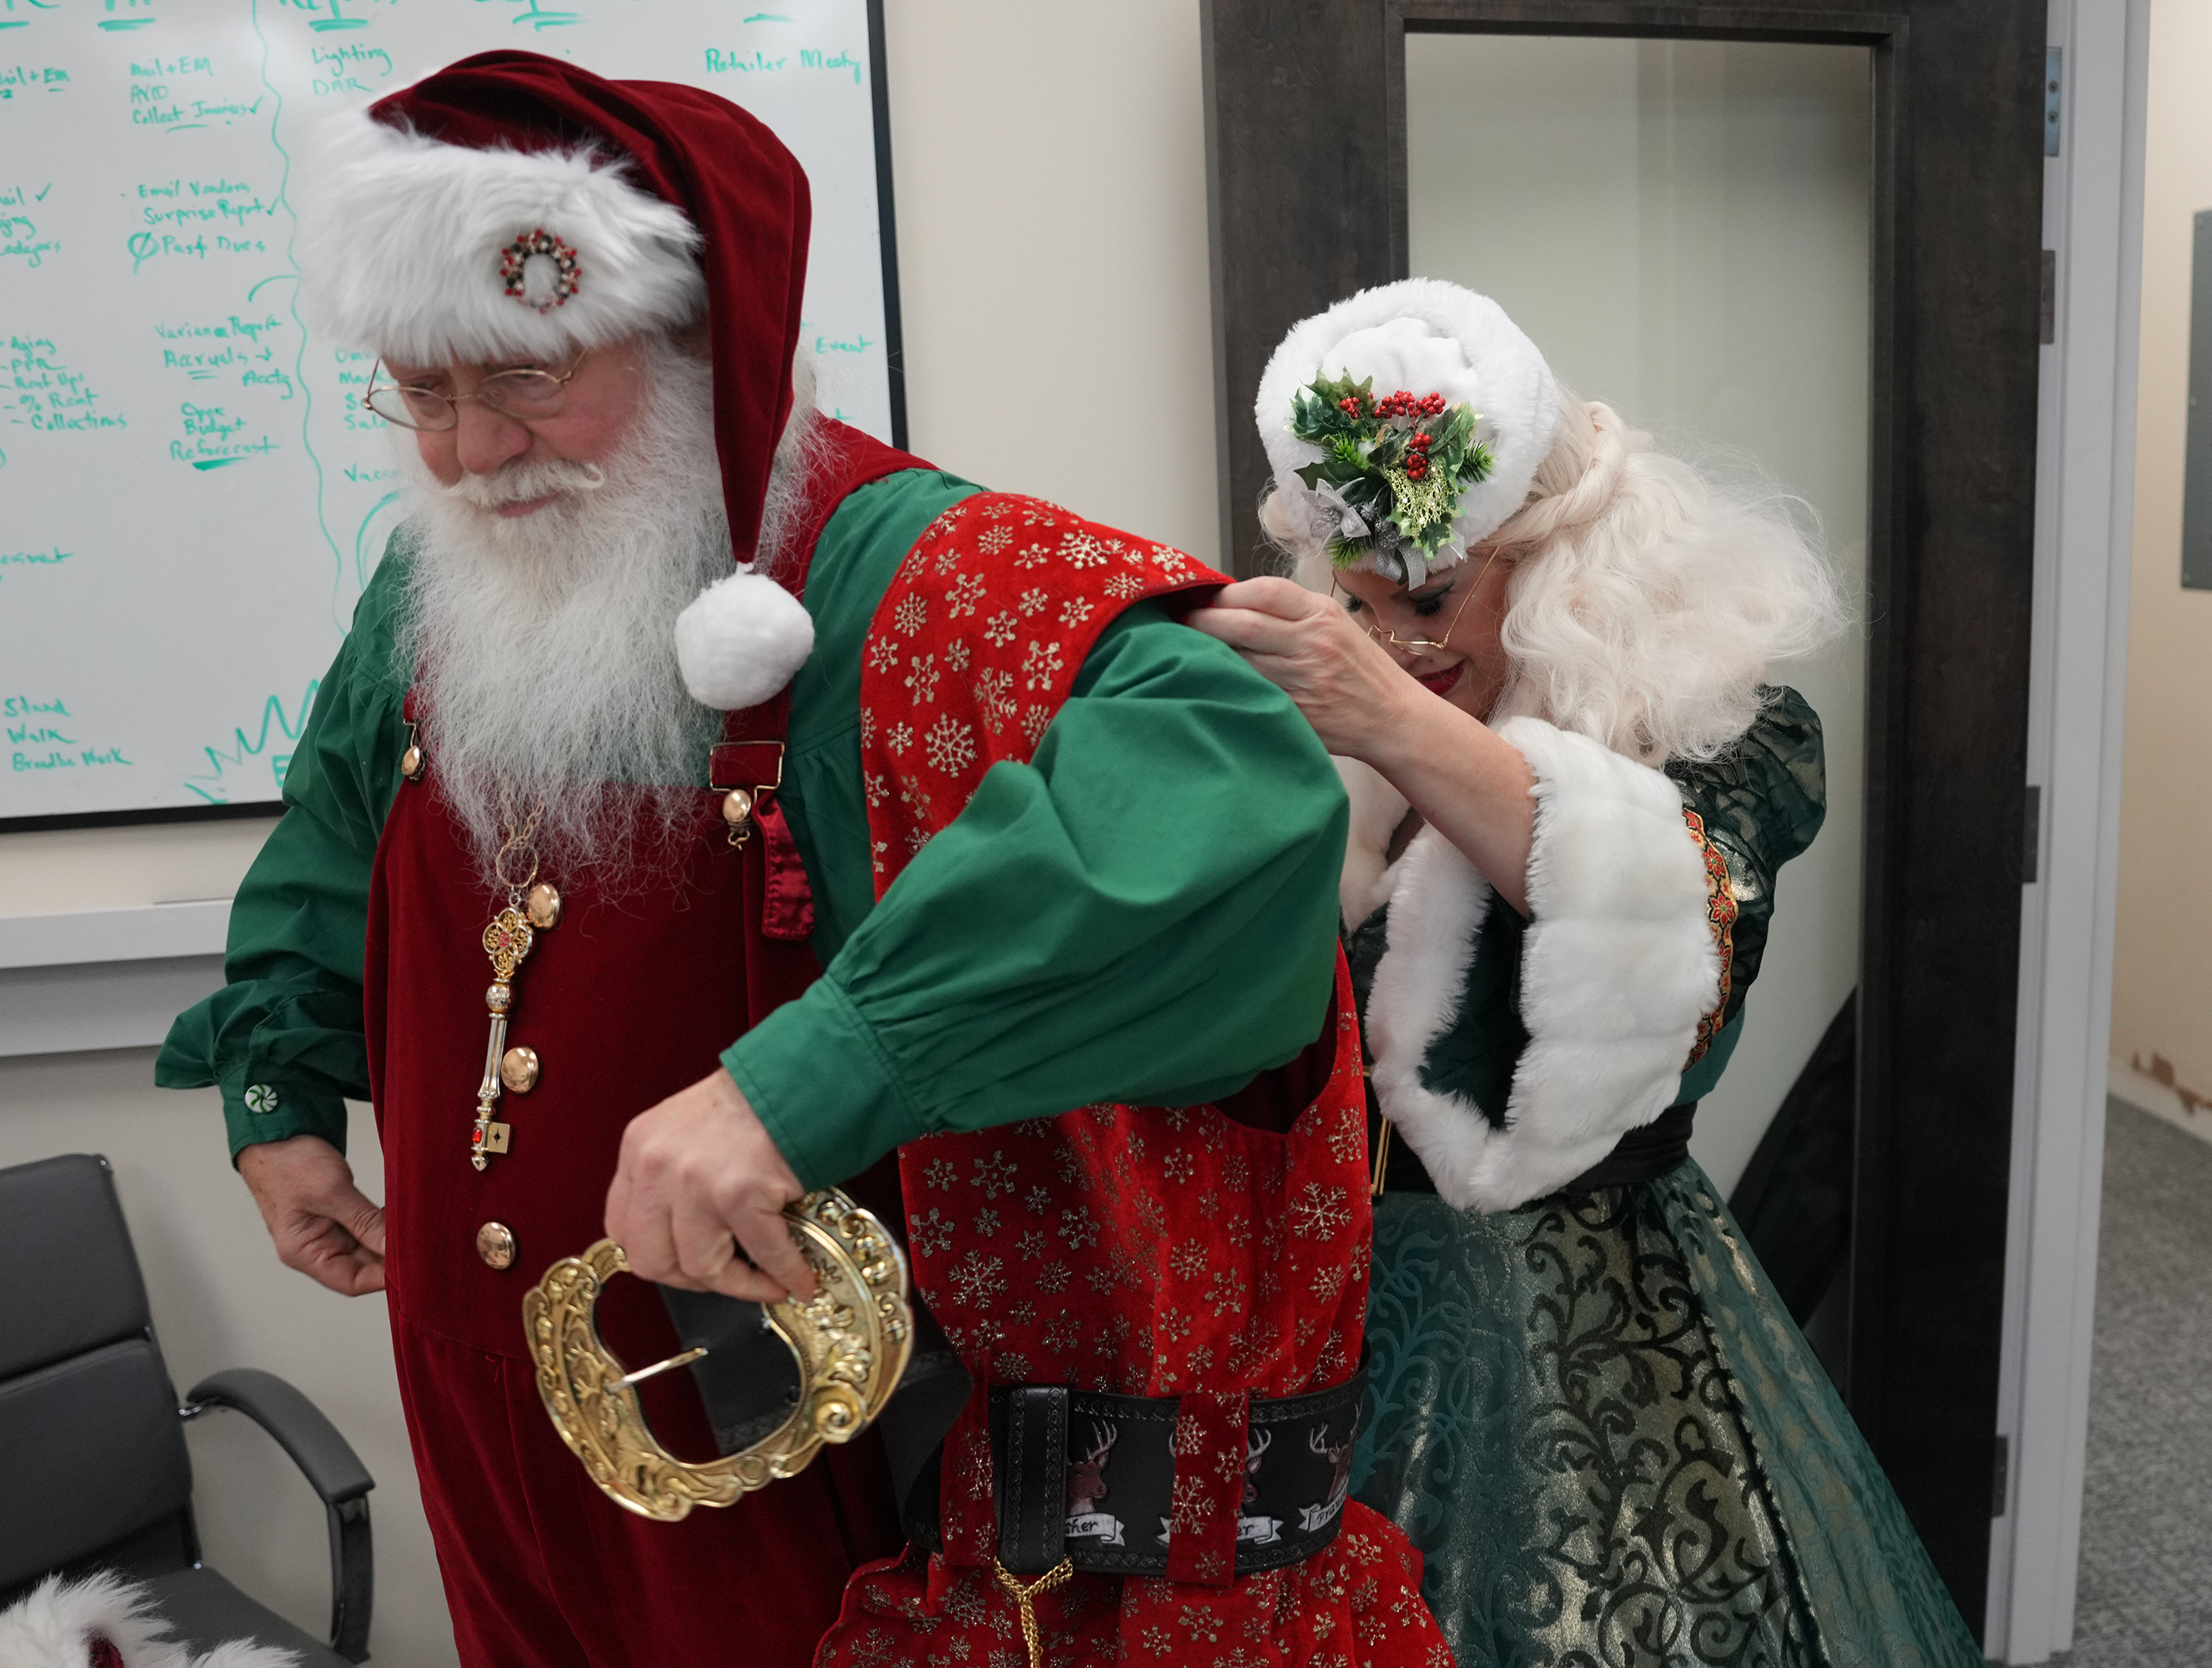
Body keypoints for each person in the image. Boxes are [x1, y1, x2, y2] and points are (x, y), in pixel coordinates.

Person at [158, 53, 1450, 1668]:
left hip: (789, 1452)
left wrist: (813, 1076)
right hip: (492, 1417)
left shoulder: (936, 572)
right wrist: (276, 1098)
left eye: (529, 380)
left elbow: (1224, 786)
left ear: (713, 344)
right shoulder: (445, 584)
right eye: (424, 391)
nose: (472, 450)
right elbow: (340, 835)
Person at [1190, 279, 1985, 1666]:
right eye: (1362, 610)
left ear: (1552, 571)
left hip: (1593, 1330)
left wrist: (1381, 719)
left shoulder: (1733, 736)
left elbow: (1672, 909)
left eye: (1434, 599)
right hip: (1321, 1310)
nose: (1401, 647)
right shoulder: (1354, 731)